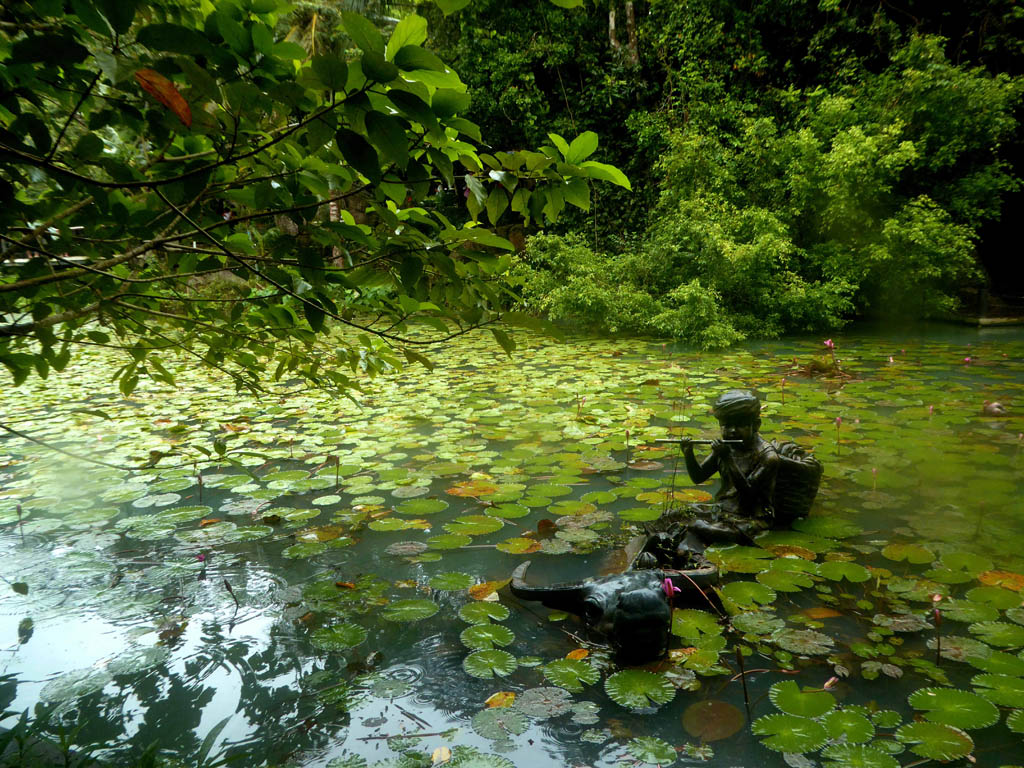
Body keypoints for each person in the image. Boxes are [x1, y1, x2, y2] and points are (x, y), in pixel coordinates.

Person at [639, 389, 781, 568]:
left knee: (700, 526)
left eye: (739, 425)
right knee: (673, 515)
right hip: (722, 511)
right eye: (726, 426)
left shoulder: (767, 457)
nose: (732, 431)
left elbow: (748, 495)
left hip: (750, 519)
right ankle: (665, 546)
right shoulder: (726, 448)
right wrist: (688, 453)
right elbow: (698, 477)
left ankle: (684, 551)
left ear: (756, 424)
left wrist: (727, 458)